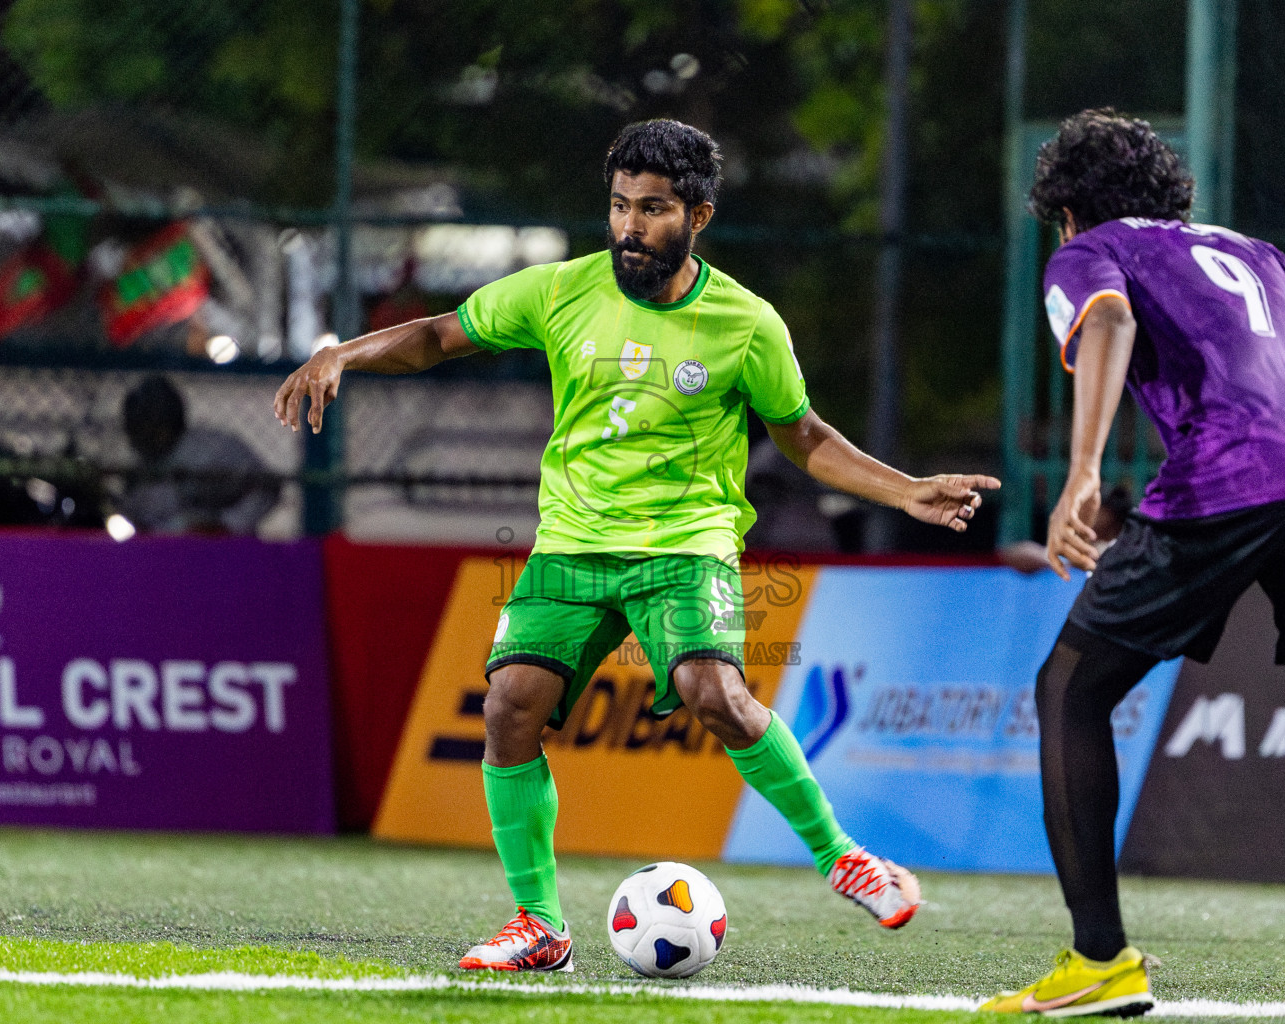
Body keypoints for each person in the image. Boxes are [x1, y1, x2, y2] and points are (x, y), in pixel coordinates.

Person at [276, 119, 998, 973]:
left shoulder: (745, 323)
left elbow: (803, 435)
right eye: (619, 205)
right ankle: (539, 926)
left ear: (699, 216)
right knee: (509, 707)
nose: (629, 226)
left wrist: (904, 488)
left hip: (686, 547)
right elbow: (439, 335)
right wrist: (341, 354)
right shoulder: (561, 291)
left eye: (652, 209)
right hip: (572, 544)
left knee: (714, 695)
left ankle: (844, 856)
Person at [980, 109, 1285, 1017]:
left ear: (1065, 210)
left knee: (1072, 688)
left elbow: (1105, 323)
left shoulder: (1090, 249)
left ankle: (1098, 960)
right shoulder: (1253, 251)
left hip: (1232, 468)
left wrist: (1085, 473)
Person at [121, 375, 279, 535]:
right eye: (138, 428)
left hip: (222, 548)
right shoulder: (135, 464)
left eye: (152, 426)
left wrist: (228, 525)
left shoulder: (214, 448)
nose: (145, 435)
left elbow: (268, 486)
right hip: (157, 550)